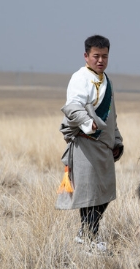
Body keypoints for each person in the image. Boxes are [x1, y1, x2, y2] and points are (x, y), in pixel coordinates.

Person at [57, 35, 124, 252]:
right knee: (88, 195)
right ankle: (89, 237)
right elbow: (72, 107)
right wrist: (87, 123)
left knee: (104, 194)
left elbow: (112, 115)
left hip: (104, 147)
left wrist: (117, 140)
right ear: (86, 56)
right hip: (85, 144)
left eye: (104, 56)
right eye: (96, 56)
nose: (100, 60)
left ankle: (85, 234)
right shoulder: (79, 78)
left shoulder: (108, 81)